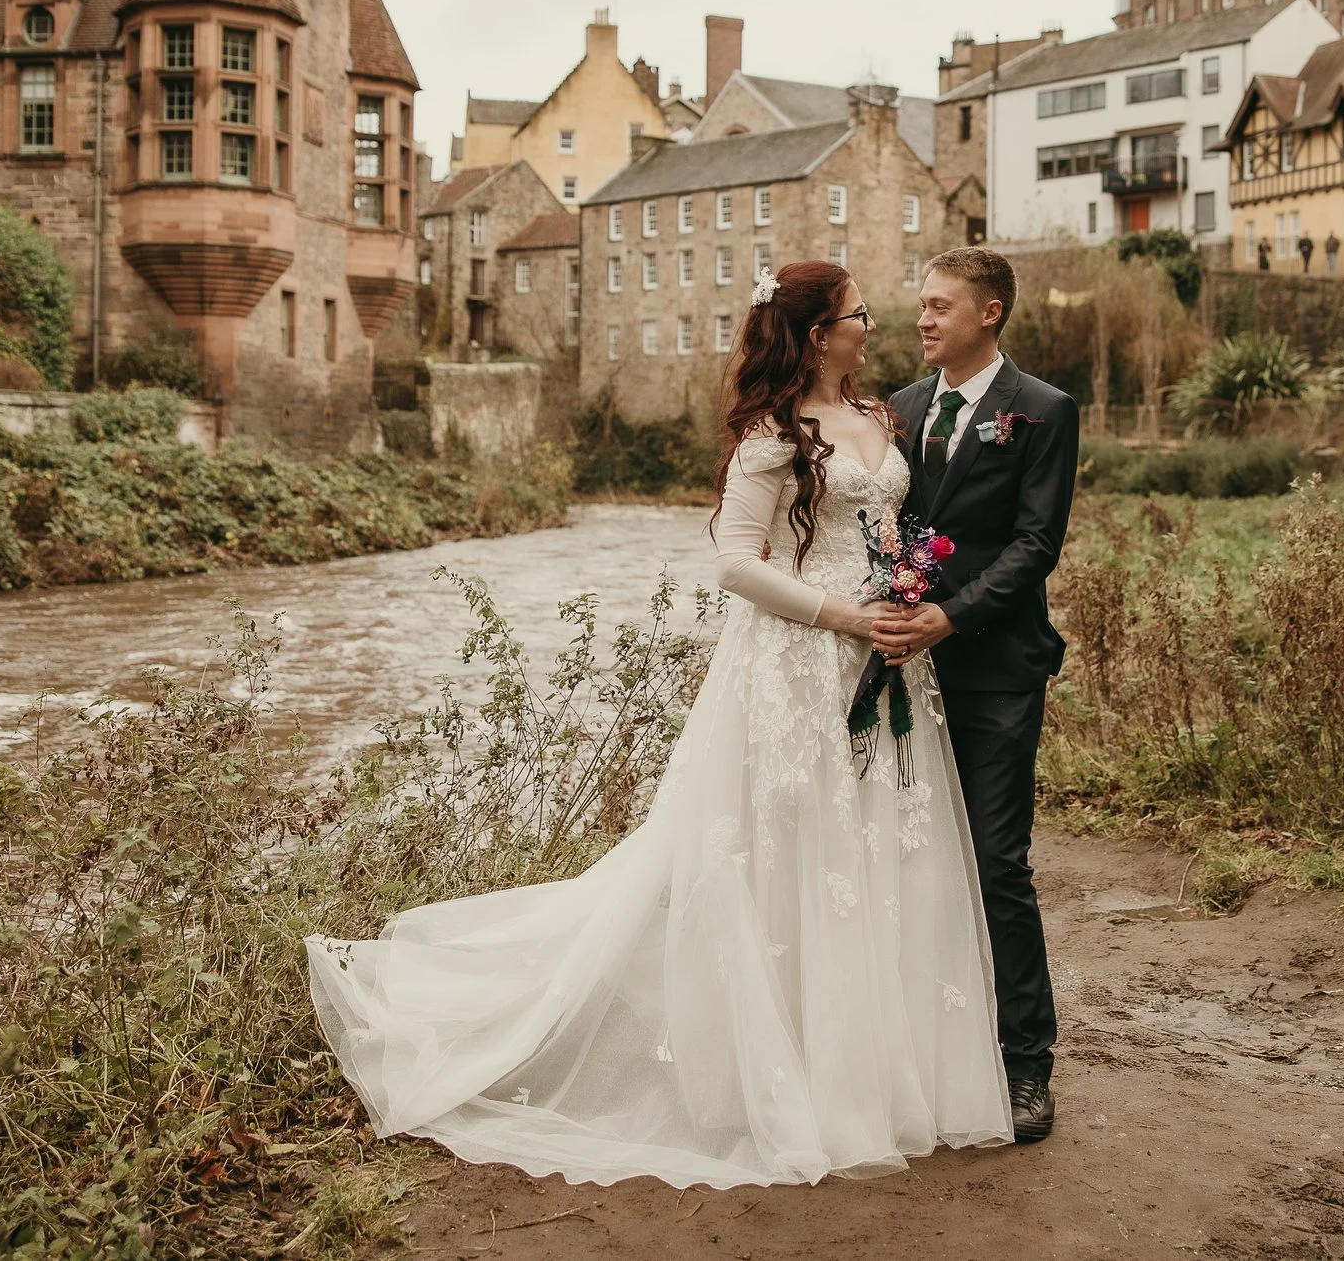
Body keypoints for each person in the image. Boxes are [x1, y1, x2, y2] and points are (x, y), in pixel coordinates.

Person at [305, 260, 1011, 1188]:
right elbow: (732, 560)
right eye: (855, 315)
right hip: (801, 658)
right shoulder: (771, 435)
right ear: (816, 335)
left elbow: (889, 528)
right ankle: (781, 1072)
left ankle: (880, 1070)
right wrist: (841, 613)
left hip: (886, 661)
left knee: (875, 849)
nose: (869, 326)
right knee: (789, 856)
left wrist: (904, 597)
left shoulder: (882, 418)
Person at [875, 247, 1080, 1145]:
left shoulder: (1040, 411)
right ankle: (928, 1044)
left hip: (996, 665)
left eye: (939, 306)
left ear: (989, 313)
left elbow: (1036, 544)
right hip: (903, 668)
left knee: (998, 861)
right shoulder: (900, 408)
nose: (922, 319)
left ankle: (1026, 1062)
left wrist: (951, 618)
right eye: (920, 305)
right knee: (914, 858)